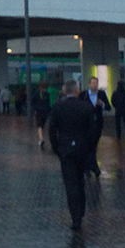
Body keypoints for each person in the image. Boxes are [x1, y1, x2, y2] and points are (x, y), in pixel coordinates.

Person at [49, 79, 99, 231]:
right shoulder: (86, 107)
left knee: (70, 183)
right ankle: (81, 210)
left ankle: (75, 217)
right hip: (82, 149)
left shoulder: (58, 107)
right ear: (77, 91)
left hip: (65, 149)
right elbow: (93, 130)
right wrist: (89, 148)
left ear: (65, 91)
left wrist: (56, 147)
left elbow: (52, 130)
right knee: (80, 180)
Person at [83, 77, 111, 176]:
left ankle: (90, 165)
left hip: (97, 123)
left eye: (96, 83)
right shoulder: (84, 94)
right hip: (86, 124)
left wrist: (102, 104)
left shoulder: (101, 94)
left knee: (94, 144)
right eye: (93, 83)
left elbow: (108, 107)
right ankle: (92, 166)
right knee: (88, 144)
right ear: (89, 84)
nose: (95, 85)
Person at [33, 83, 52, 149]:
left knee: (41, 126)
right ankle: (41, 139)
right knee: (40, 125)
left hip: (42, 112)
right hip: (41, 112)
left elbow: (34, 102)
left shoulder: (42, 94)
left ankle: (41, 138)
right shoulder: (45, 94)